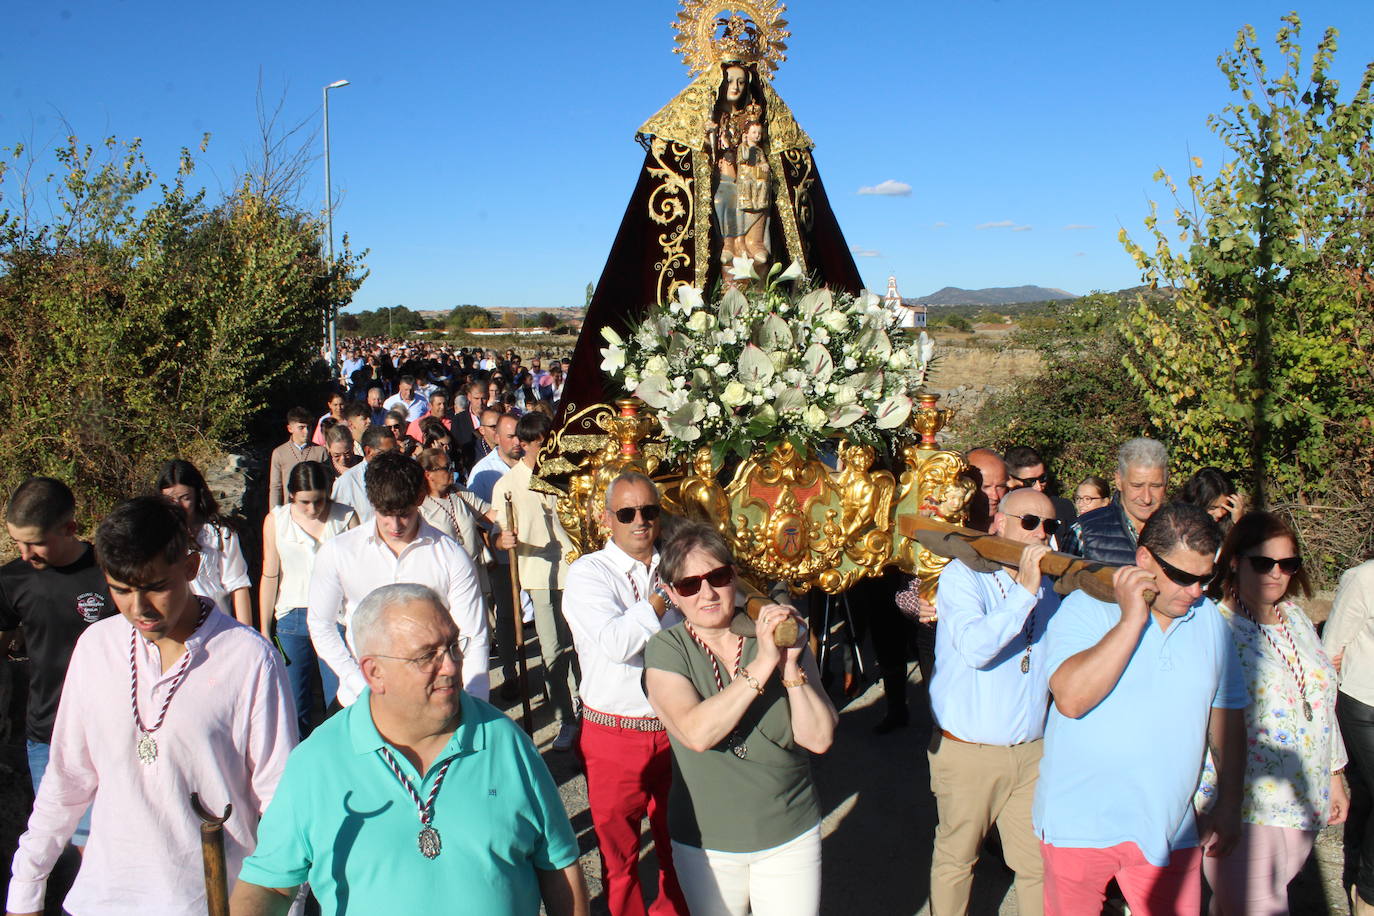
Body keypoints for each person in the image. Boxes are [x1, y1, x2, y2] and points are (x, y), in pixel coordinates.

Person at [6, 496, 296, 915]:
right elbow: (67, 777)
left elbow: (280, 799)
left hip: (209, 900)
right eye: (120, 590)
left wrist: (280, 903)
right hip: (102, 898)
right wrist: (26, 889)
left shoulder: (249, 658)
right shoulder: (95, 648)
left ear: (190, 569)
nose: (138, 609)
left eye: (155, 587)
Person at [230, 584, 587, 916]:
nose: (450, 667)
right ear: (375, 672)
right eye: (426, 656)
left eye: (452, 646)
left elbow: (557, 864)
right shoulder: (317, 762)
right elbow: (272, 885)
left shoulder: (505, 742)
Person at [1034, 502, 1246, 915]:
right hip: (1078, 824)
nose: (1196, 591)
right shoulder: (1086, 607)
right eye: (1183, 577)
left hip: (1169, 827)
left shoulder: (1209, 621)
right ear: (1144, 559)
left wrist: (1230, 803)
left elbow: (1227, 715)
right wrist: (1132, 621)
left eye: (1207, 578)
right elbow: (1072, 699)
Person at [645, 521, 836, 915]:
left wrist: (790, 668)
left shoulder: (779, 636)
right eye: (689, 585)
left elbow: (818, 739)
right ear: (671, 596)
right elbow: (697, 732)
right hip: (708, 845)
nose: (707, 592)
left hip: (789, 832)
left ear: (735, 576)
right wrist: (764, 663)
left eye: (717, 576)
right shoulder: (666, 649)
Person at [1195, 511, 1346, 915]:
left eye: (1288, 564)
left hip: (1302, 797)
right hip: (1242, 802)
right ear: (1234, 560)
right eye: (1263, 562)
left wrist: (1335, 774)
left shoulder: (1295, 617)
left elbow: (1319, 699)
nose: (1276, 574)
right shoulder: (1213, 626)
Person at [926, 487, 1062, 916]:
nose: (1040, 534)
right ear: (999, 523)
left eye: (1049, 526)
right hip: (970, 753)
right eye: (1029, 522)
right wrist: (1024, 591)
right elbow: (975, 648)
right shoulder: (963, 576)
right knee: (957, 860)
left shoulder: (1049, 587)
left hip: (1031, 752)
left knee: (1038, 864)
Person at [562, 472, 689, 916]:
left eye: (650, 511)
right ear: (606, 518)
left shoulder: (676, 564)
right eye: (627, 513)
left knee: (681, 849)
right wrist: (660, 600)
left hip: (675, 725)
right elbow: (616, 644)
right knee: (620, 862)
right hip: (613, 734)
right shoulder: (587, 573)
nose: (640, 522)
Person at [308, 450, 490, 707]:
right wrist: (358, 682)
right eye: (385, 513)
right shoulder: (339, 552)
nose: (395, 525)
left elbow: (473, 635)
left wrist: (475, 703)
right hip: (360, 700)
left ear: (419, 499)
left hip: (432, 701)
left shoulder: (451, 556)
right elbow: (321, 624)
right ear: (372, 503)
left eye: (404, 513)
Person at [0, 477, 114, 849]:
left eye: (35, 542)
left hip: (111, 733)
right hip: (47, 737)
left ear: (70, 528)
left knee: (102, 848)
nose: (24, 553)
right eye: (18, 541)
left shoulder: (110, 573)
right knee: (61, 847)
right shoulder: (12, 580)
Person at [492, 411, 581, 751]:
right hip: (538, 576)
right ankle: (565, 719)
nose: (548, 447)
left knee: (582, 644)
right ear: (526, 445)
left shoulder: (567, 474)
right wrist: (505, 541)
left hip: (575, 571)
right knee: (552, 650)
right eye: (542, 441)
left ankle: (586, 706)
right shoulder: (507, 485)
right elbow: (497, 536)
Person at [260, 461, 357, 737]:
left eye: (319, 501)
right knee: (293, 703)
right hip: (292, 618)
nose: (313, 509)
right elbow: (270, 574)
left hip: (336, 619)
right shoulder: (276, 520)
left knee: (340, 699)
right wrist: (265, 629)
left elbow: (357, 575)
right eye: (305, 502)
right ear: (292, 495)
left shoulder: (345, 517)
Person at [1323, 550, 1374, 915]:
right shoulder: (1363, 578)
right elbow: (1330, 647)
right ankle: (1367, 895)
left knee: (1369, 797)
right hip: (1364, 702)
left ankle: (1357, 871)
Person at [468, 412, 525, 698]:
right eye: (510, 436)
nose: (516, 441)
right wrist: (493, 547)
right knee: (506, 616)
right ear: (496, 438)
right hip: (503, 557)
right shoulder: (483, 472)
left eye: (519, 435)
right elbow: (477, 518)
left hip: (535, 555)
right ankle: (510, 672)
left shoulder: (533, 463)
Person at [157, 459, 252, 624]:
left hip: (217, 622)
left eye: (185, 498)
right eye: (171, 500)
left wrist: (248, 633)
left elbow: (238, 584)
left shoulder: (221, 533)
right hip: (175, 626)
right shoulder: (156, 535)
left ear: (197, 495)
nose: (178, 506)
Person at [1070, 437, 1169, 565]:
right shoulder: (1083, 532)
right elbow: (1061, 583)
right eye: (1137, 486)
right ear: (1118, 481)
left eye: (1155, 486)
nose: (1147, 498)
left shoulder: (1181, 533)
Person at [418, 446, 494, 593]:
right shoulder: (420, 506)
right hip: (447, 582)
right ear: (429, 475)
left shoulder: (458, 491)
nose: (452, 470)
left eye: (451, 465)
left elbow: (491, 514)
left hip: (475, 575)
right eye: (446, 467)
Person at [330, 425, 396, 522]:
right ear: (368, 451)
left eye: (394, 452)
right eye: (385, 454)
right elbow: (338, 524)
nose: (392, 458)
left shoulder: (400, 474)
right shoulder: (347, 482)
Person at [268, 407, 329, 508]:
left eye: (309, 427)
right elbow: (276, 487)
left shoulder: (320, 451)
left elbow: (328, 483)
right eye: (301, 427)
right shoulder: (279, 453)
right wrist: (275, 514)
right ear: (290, 428)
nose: (306, 431)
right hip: (289, 508)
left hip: (316, 507)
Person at [1004, 444, 1076, 526]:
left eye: (1042, 478)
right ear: (1008, 480)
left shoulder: (1063, 508)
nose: (1039, 488)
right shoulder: (995, 510)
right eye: (1030, 482)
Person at [1179, 467, 1246, 536]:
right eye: (1212, 508)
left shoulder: (1230, 523)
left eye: (1225, 507)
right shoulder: (1178, 528)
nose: (1220, 514)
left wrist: (1239, 523)